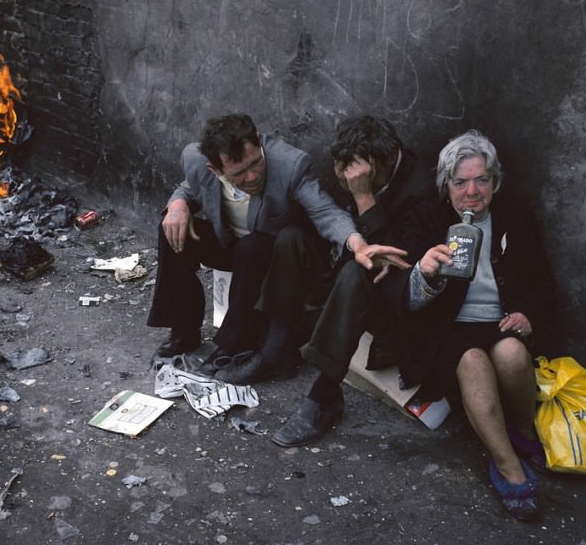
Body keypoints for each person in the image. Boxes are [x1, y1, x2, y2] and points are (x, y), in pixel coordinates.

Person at [146, 113, 407, 378]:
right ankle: (184, 331)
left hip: (272, 257)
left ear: (258, 142)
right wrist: (177, 205)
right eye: (239, 173)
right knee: (170, 228)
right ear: (216, 169)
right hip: (230, 245)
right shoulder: (196, 160)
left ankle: (231, 345)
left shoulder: (290, 165)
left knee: (251, 247)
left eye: (255, 163)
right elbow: (189, 188)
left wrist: (357, 243)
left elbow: (325, 211)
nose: (252, 176)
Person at [399, 130, 554, 521]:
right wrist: (426, 273)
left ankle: (522, 431)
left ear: (494, 182)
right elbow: (404, 299)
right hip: (448, 332)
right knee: (473, 363)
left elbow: (543, 282)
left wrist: (527, 315)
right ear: (446, 185)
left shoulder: (515, 216)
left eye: (481, 179)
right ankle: (508, 466)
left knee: (514, 354)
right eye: (460, 181)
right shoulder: (427, 218)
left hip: (499, 323)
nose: (472, 191)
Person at [270, 115, 427, 442]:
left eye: (358, 173)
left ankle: (324, 394)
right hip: (338, 268)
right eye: (343, 169)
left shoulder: (420, 187)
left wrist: (363, 197)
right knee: (291, 238)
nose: (346, 177)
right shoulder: (350, 166)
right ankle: (277, 345)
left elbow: (395, 258)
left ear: (385, 159)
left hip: (386, 294)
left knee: (359, 272)